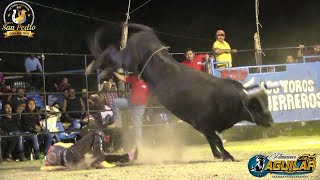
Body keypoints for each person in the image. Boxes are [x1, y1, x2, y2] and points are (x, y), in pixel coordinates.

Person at [40, 130, 138, 171]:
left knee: (97, 157)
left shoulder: (51, 160)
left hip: (72, 161)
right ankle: (100, 161)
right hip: (70, 155)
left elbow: (47, 167)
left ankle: (127, 157)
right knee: (97, 132)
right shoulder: (59, 147)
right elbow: (68, 147)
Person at [111, 71, 149, 149]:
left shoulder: (147, 82)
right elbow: (123, 78)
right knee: (115, 102)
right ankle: (118, 122)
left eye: (139, 74)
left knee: (137, 124)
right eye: (138, 74)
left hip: (140, 106)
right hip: (131, 102)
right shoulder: (134, 79)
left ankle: (139, 145)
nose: (138, 75)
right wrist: (114, 72)